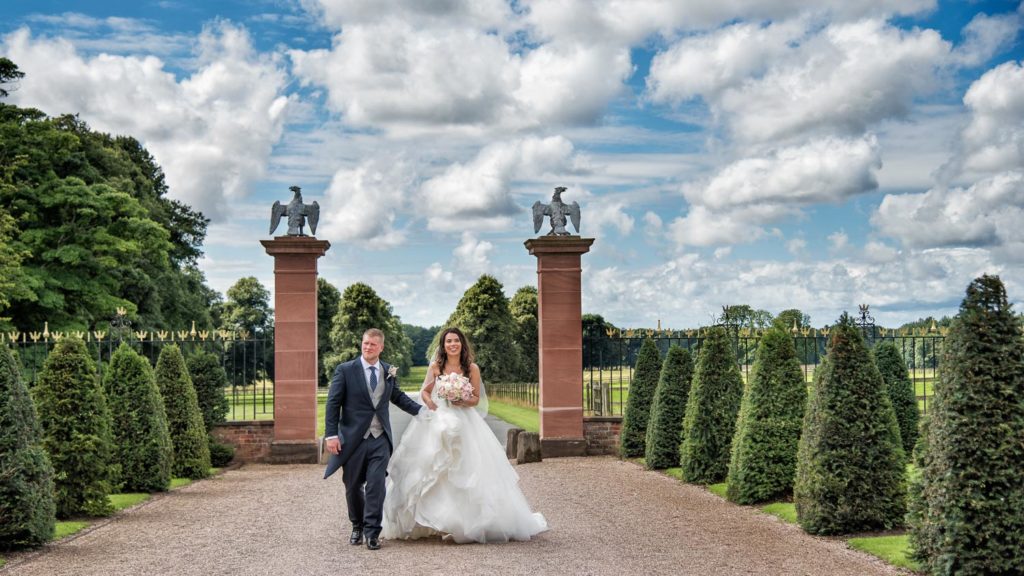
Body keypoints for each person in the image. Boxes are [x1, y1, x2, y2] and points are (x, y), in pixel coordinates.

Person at [381, 327, 548, 543]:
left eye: (456, 341)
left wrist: (462, 399)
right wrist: (430, 401)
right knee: (432, 466)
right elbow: (425, 391)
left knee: (468, 467)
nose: (452, 344)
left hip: (465, 421)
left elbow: (476, 398)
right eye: (449, 341)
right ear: (443, 345)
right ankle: (430, 521)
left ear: (462, 344)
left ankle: (465, 522)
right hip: (439, 419)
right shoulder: (436, 366)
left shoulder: (471, 368)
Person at [323, 328, 427, 551]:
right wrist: (331, 435)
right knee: (352, 486)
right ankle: (357, 525)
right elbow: (333, 404)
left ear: (381, 347)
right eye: (365, 343)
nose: (367, 347)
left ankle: (372, 532)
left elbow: (397, 397)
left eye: (372, 344)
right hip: (353, 439)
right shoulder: (345, 370)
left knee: (376, 485)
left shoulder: (388, 370)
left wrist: (422, 412)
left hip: (380, 439)